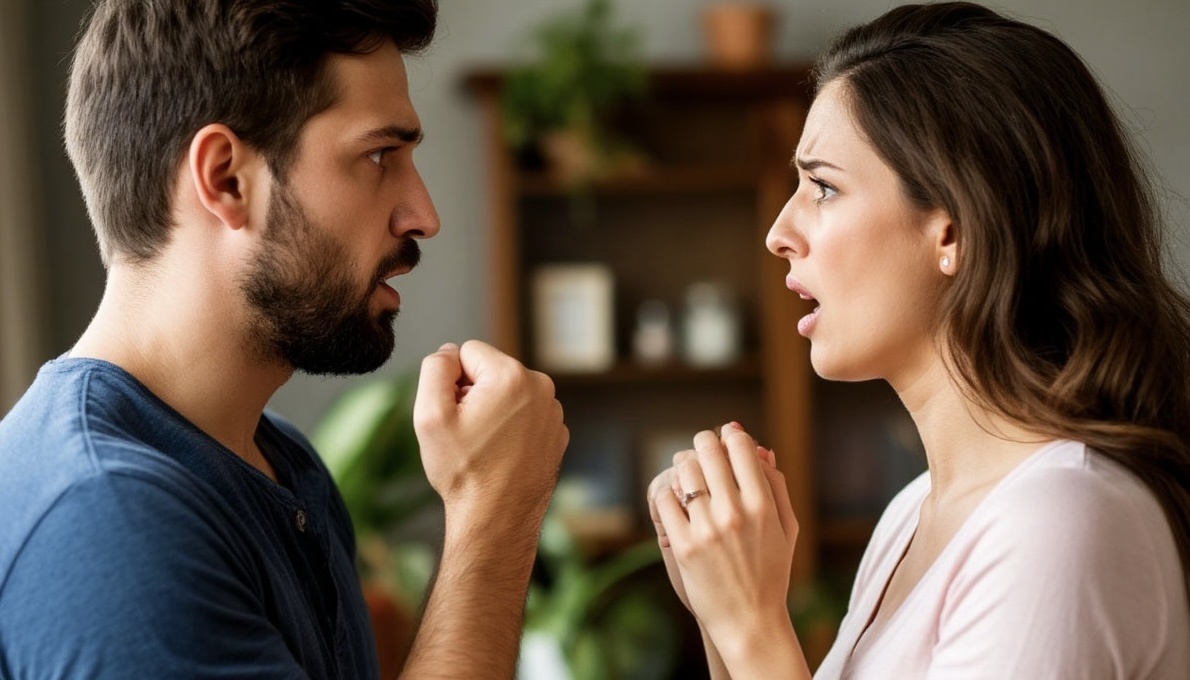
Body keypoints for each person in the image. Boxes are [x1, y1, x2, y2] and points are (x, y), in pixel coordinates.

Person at [0, 1, 568, 678]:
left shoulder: (285, 465)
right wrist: (493, 515)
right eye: (378, 155)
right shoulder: (105, 517)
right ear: (226, 179)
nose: (424, 215)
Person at [648, 2, 1190, 678]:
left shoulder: (1058, 522)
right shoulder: (912, 515)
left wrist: (752, 625)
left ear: (953, 230)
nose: (778, 233)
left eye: (822, 186)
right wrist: (719, 611)